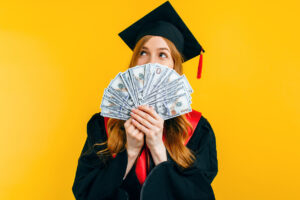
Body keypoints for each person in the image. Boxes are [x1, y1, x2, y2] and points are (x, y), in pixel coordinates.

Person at [72, 1, 218, 199]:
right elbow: (86, 195)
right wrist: (130, 151)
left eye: (162, 55)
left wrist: (158, 147)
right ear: (134, 62)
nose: (151, 63)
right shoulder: (104, 125)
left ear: (175, 67)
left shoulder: (197, 129)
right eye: (143, 52)